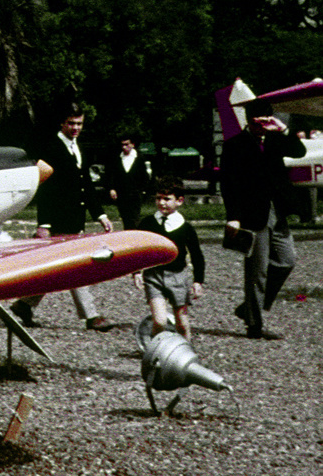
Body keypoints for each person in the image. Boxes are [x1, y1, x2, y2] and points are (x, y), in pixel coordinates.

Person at [11, 102, 116, 331]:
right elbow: (46, 189)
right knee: (78, 267)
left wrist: (100, 215)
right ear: (62, 123)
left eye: (79, 123)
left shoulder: (79, 148)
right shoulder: (52, 147)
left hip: (75, 219)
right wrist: (44, 224)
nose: (76, 127)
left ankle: (25, 304)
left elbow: (85, 185)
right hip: (57, 219)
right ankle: (91, 316)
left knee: (56, 269)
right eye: (71, 123)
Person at [221, 103, 306, 340]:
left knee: (287, 260)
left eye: (267, 116)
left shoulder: (275, 139)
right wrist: (233, 216)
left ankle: (248, 307)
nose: (263, 120)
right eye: (259, 116)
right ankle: (254, 325)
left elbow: (299, 152)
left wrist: (284, 130)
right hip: (251, 214)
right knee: (257, 272)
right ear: (249, 119)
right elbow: (228, 183)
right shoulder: (234, 145)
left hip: (277, 211)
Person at [132, 177, 204, 341]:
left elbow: (197, 255)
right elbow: (136, 248)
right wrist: (136, 272)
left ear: (179, 201)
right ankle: (154, 350)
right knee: (160, 320)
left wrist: (198, 281)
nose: (162, 203)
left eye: (167, 199)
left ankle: (185, 351)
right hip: (153, 275)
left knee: (182, 323)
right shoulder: (148, 223)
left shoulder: (185, 227)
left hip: (178, 277)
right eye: (158, 198)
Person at [104, 134, 150, 229]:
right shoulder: (117, 158)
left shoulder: (140, 158)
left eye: (126, 144)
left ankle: (135, 237)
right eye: (122, 145)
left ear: (132, 144)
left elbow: (145, 176)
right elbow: (111, 175)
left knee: (134, 218)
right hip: (121, 193)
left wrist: (142, 191)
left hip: (135, 194)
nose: (124, 147)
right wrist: (111, 188)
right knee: (125, 217)